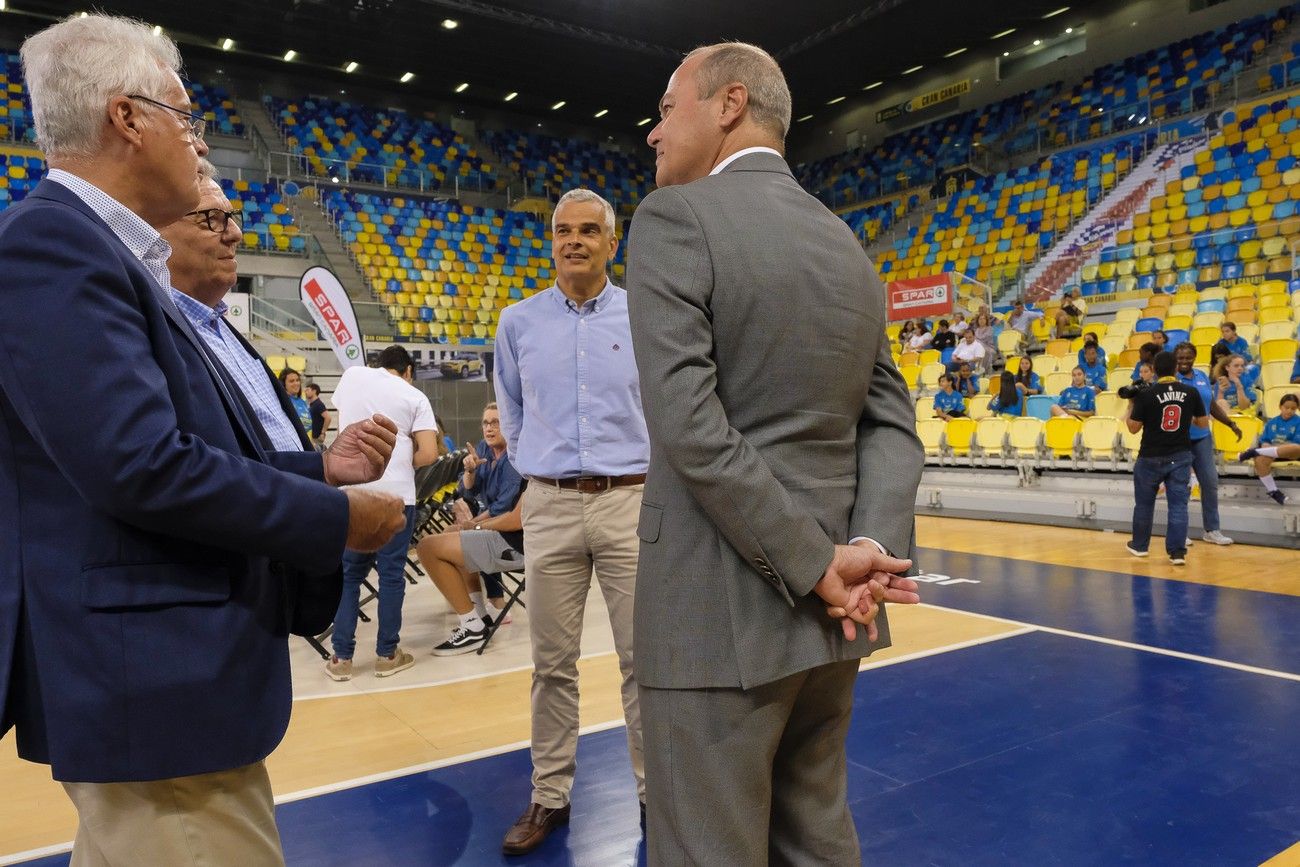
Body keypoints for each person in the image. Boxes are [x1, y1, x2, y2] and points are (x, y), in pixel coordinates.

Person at [0, 15, 406, 865]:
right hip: (152, 685)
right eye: (185, 116)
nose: (197, 139)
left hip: (149, 683)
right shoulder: (55, 246)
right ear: (128, 118)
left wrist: (310, 468)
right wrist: (335, 518)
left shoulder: (96, 252)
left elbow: (161, 445)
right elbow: (140, 467)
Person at [630, 41, 923, 864]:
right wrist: (863, 548)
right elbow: (893, 423)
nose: (653, 133)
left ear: (728, 105)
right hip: (837, 621)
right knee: (815, 836)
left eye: (666, 109)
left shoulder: (672, 219)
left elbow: (690, 424)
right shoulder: (847, 244)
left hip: (718, 614)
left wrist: (811, 561)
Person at [494, 188, 650, 855]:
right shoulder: (517, 322)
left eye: (589, 230)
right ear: (551, 240)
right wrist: (539, 470)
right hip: (551, 503)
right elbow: (512, 406)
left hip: (630, 499)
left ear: (612, 242)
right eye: (563, 230)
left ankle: (654, 791)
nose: (574, 241)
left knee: (645, 659)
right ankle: (549, 794)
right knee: (550, 663)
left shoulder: (645, 313)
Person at [160, 166, 313, 456]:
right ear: (154, 229)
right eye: (212, 220)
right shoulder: (150, 333)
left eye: (231, 219)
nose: (236, 234)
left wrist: (323, 468)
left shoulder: (222, 328)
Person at [326, 345, 440, 680]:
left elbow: (337, 416)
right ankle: (387, 655)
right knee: (391, 577)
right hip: (397, 495)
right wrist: (403, 461)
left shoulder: (352, 376)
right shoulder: (414, 395)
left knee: (348, 577)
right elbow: (430, 454)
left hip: (353, 494)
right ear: (408, 370)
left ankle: (341, 659)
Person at [417, 402, 526, 655]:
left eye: (496, 422)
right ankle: (478, 614)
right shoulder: (483, 451)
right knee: (449, 536)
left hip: (512, 541)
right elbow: (466, 490)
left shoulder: (515, 461)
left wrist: (474, 524)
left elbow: (506, 514)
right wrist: (469, 471)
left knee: (427, 547)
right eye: (486, 423)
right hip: (497, 530)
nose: (489, 428)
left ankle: (472, 625)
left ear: (509, 426)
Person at [1122, 351, 1209, 565]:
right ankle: (1177, 553)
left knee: (1144, 505)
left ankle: (1140, 546)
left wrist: (1132, 403)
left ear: (1154, 370)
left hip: (1150, 456)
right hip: (1180, 455)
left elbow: (1133, 428)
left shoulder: (1146, 394)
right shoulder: (1190, 392)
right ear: (1175, 369)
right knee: (1178, 505)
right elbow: (1203, 423)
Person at [1173, 342, 1238, 546]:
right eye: (1180, 358)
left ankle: (1212, 530)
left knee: (1210, 483)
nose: (1184, 361)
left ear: (1194, 357)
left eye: (1188, 357)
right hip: (1179, 440)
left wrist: (1229, 423)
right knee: (1180, 486)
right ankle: (1179, 533)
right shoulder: (1171, 378)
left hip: (1202, 437)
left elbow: (1209, 404)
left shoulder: (1201, 376)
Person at [1240, 392, 1299, 505]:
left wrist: (1274, 447)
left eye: (1293, 408)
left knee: (1296, 447)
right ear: (1280, 407)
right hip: (1272, 453)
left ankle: (1254, 452)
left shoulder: (1299, 422)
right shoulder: (1272, 422)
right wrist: (1266, 445)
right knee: (1259, 460)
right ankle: (1273, 491)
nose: (1289, 411)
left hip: (1291, 454)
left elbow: (1295, 444)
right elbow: (1265, 440)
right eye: (1286, 407)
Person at [279, 367, 313, 433]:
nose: (296, 383)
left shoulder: (302, 402)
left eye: (297, 380)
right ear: (283, 384)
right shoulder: (281, 402)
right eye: (291, 381)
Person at [306, 382, 330, 450]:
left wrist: (323, 432)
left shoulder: (318, 404)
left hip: (316, 438)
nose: (306, 392)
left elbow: (328, 418)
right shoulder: (312, 404)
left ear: (314, 391)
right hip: (312, 436)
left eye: (308, 390)